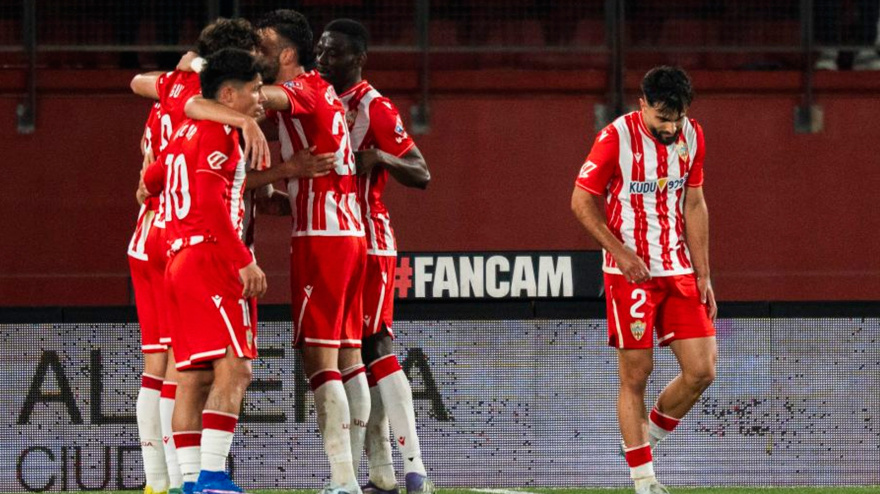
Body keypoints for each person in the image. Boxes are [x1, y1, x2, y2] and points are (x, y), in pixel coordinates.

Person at [186, 10, 367, 494]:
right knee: (350, 357)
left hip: (322, 237)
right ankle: (381, 472)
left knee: (320, 359)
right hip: (349, 233)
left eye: (263, 46)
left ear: (286, 55)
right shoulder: (323, 91)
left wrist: (202, 71)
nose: (256, 54)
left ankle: (345, 481)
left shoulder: (301, 89)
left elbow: (232, 98)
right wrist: (284, 179)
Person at [130, 18, 265, 494]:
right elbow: (209, 204)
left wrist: (148, 191)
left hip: (173, 256)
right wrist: (242, 259)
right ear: (227, 94)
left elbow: (152, 179)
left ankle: (185, 480)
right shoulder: (217, 132)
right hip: (209, 257)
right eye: (255, 87)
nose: (261, 96)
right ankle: (210, 474)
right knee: (236, 368)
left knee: (187, 375)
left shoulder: (183, 127)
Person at [570, 66, 717, 494]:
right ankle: (643, 479)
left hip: (679, 270)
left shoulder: (693, 136)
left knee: (702, 371)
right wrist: (620, 252)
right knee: (637, 374)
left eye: (676, 119)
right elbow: (580, 200)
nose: (670, 127)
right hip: (629, 275)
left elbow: (695, 202)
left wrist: (704, 273)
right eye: (661, 119)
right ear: (642, 105)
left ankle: (642, 442)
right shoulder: (616, 137)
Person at [315, 19, 434, 494]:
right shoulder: (321, 101)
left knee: (377, 342)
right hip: (336, 239)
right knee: (358, 352)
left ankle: (415, 468)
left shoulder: (374, 107)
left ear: (358, 59)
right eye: (321, 50)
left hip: (369, 237)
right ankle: (382, 473)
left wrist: (381, 158)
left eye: (335, 53)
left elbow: (422, 171)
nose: (324, 59)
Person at [128, 100, 170, 494]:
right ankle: (181, 478)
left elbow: (144, 183)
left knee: (155, 365)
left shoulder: (160, 107)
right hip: (172, 242)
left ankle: (157, 481)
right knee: (181, 368)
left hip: (144, 236)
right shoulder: (202, 112)